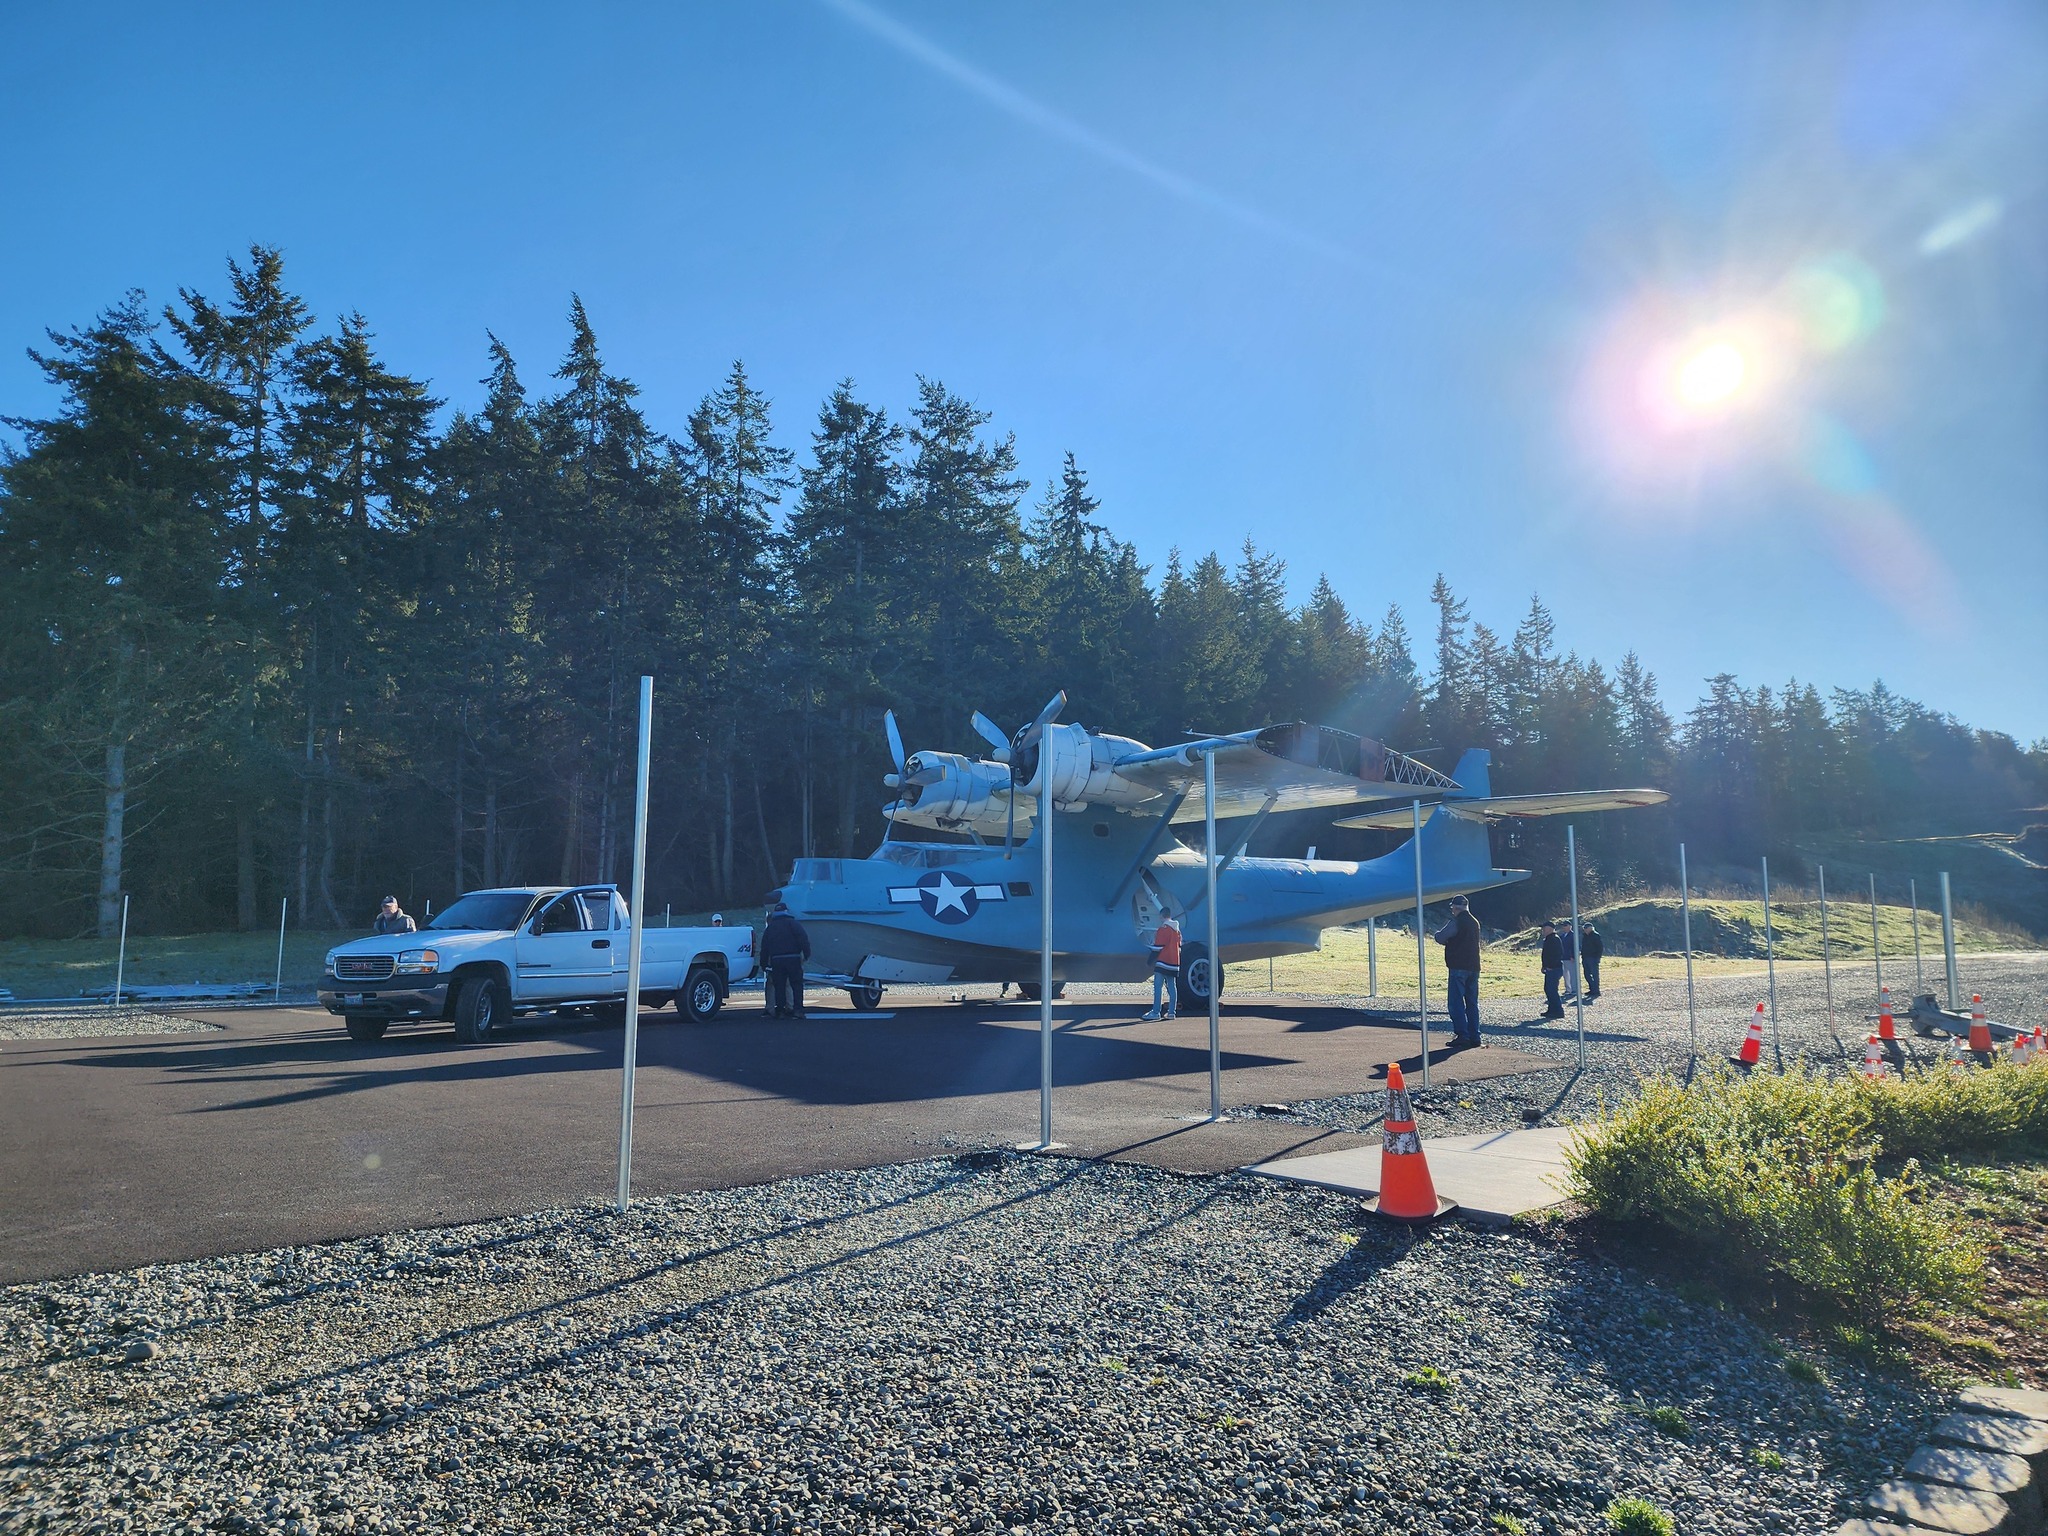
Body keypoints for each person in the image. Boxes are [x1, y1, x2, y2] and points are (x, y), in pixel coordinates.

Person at [1432, 894, 1482, 1048]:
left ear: (1455, 907)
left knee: (1456, 1002)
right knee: (1472, 1003)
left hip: (1458, 965)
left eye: (1452, 907)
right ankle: (1475, 1035)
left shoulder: (1457, 922)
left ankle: (1462, 1034)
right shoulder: (1475, 922)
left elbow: (1440, 937)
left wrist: (1444, 938)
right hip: (1474, 966)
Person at [761, 901, 811, 1019]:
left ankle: (780, 1011)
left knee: (779, 986)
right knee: (797, 985)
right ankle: (798, 1010)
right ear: (786, 911)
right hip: (793, 958)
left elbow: (765, 947)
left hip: (777, 959)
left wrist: (763, 964)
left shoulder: (770, 928)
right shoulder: (794, 924)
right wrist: (806, 954)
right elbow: (803, 939)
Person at [1141, 913, 1183, 1021]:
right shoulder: (1177, 931)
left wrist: (1149, 962)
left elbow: (1158, 947)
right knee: (1172, 988)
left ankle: (1156, 1012)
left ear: (1161, 916)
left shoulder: (1163, 929)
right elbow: (1179, 946)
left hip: (1163, 962)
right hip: (1174, 963)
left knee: (1158, 987)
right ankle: (1171, 1013)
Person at [1539, 921, 1566, 1020]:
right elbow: (1546, 955)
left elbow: (1558, 954)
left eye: (1544, 928)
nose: (1543, 930)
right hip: (1550, 968)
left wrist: (1551, 966)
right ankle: (1551, 1010)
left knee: (1552, 990)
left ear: (1550, 928)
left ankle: (1558, 1011)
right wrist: (1544, 966)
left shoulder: (1554, 939)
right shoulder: (1548, 939)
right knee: (1548, 989)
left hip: (1554, 968)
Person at [1579, 920, 1604, 1001]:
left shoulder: (1596, 936)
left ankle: (1596, 990)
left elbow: (1600, 948)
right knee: (1587, 974)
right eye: (1584, 928)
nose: (1585, 930)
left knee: (1595, 974)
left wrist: (1598, 958)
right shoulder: (1584, 936)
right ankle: (1592, 988)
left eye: (1587, 928)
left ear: (1591, 928)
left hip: (1593, 958)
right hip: (1585, 958)